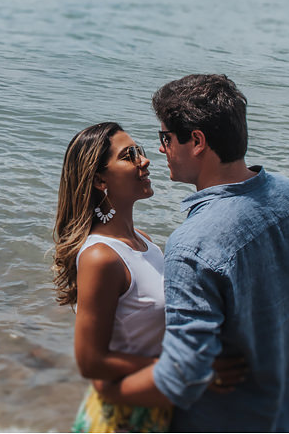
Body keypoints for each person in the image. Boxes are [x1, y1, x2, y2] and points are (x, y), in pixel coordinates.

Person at [95, 74, 289, 432]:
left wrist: (110, 391)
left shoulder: (193, 245)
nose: (159, 150)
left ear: (197, 141)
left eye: (165, 138)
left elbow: (182, 376)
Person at [53, 122, 244, 433]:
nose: (144, 160)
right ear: (100, 179)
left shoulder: (144, 241)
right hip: (121, 419)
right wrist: (184, 369)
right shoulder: (101, 258)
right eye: (129, 155)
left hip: (154, 406)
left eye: (140, 151)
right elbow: (91, 362)